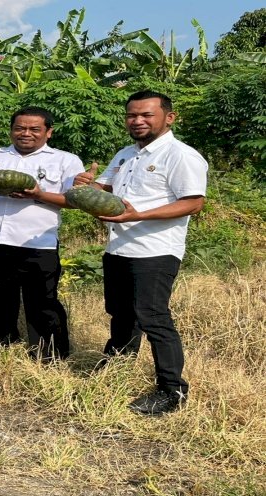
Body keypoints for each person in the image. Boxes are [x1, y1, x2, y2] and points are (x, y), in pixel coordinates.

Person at [73, 90, 207, 415]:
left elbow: (193, 203)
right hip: (118, 247)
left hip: (156, 250)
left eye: (146, 114)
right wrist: (86, 184)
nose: (138, 121)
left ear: (168, 117)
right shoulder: (125, 154)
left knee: (153, 317)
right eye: (132, 115)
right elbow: (106, 190)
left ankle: (172, 391)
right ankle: (116, 367)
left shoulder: (181, 155)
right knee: (120, 313)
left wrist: (138, 215)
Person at [0, 107, 83, 360]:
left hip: (38, 243)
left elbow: (74, 201)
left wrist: (39, 195)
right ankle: (3, 350)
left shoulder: (65, 160)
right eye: (19, 128)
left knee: (43, 302)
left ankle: (50, 356)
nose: (26, 133)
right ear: (12, 130)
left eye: (34, 129)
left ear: (49, 132)